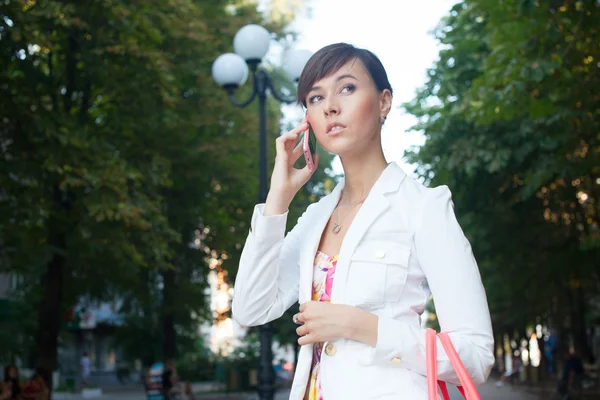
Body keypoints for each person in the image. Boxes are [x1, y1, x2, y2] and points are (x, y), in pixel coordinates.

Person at [231, 42, 495, 399]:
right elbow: (251, 307)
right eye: (315, 97)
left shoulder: (423, 207)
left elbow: (476, 357)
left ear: (384, 101)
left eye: (347, 88)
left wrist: (362, 326)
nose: (331, 107)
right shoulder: (316, 217)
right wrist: (278, 198)